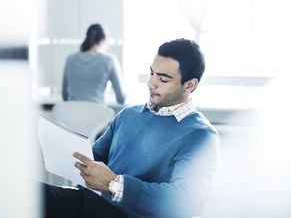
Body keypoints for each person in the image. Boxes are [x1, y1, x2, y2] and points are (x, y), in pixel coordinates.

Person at [43, 39, 220, 218]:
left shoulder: (201, 135)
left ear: (190, 85)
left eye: (163, 79)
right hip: (89, 202)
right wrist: (58, 154)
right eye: (152, 73)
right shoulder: (129, 115)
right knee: (27, 193)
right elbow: (92, 158)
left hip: (128, 214)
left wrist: (114, 183)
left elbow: (184, 202)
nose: (151, 83)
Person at [62, 23, 126, 105]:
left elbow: (64, 96)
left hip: (72, 114)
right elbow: (121, 98)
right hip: (98, 114)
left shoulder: (70, 59)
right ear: (104, 40)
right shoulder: (109, 60)